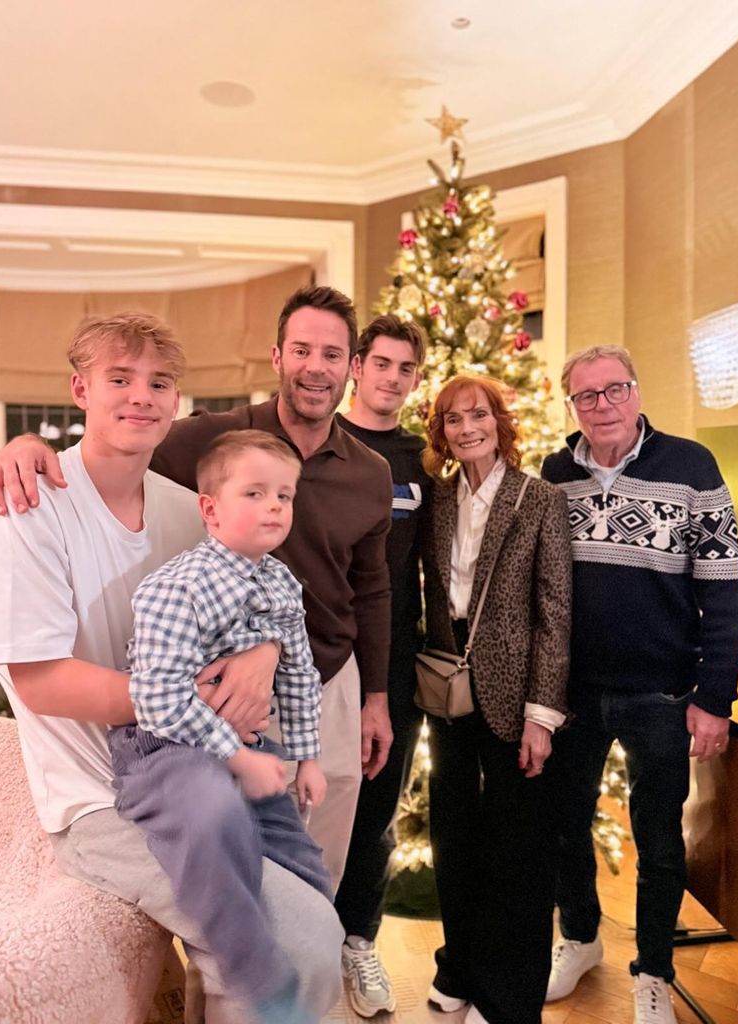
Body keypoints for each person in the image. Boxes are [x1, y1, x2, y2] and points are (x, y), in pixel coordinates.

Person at [0, 313, 343, 1024]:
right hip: (101, 801)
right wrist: (196, 701)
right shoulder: (23, 509)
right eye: (120, 379)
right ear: (79, 388)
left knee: (315, 911)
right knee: (296, 941)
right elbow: (41, 683)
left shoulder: (191, 509)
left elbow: (258, 598)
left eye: (160, 382)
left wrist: (263, 657)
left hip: (211, 766)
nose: (141, 395)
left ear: (177, 400)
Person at [541, 345, 738, 1024]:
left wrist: (716, 698)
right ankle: (579, 939)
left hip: (661, 695)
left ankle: (653, 971)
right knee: (566, 828)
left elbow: (725, 595)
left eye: (614, 390)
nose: (602, 406)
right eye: (586, 396)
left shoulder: (692, 468)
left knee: (658, 841)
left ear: (636, 391)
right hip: (571, 693)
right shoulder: (553, 474)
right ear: (571, 404)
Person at [109, 428, 334, 1024]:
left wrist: (308, 757)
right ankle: (259, 980)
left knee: (298, 850)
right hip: (165, 751)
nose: (274, 508)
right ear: (209, 508)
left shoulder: (282, 583)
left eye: (284, 496)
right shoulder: (176, 586)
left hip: (244, 744)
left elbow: (298, 674)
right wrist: (236, 759)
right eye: (255, 493)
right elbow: (154, 700)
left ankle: (317, 943)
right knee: (216, 818)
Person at [421, 374, 572, 1024]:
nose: (466, 428)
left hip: (517, 696)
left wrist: (543, 714)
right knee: (454, 836)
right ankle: (459, 967)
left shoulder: (538, 499)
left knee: (518, 848)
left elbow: (555, 610)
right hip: (447, 686)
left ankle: (508, 996)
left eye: (476, 414)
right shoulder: (437, 499)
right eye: (453, 419)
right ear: (443, 433)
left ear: (498, 420)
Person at [333, 314, 430, 1017]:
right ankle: (301, 939)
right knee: (303, 804)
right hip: (314, 660)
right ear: (358, 367)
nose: (392, 378)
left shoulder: (425, 461)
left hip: (394, 666)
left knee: (374, 813)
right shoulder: (319, 442)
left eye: (407, 369)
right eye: (383, 364)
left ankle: (357, 943)